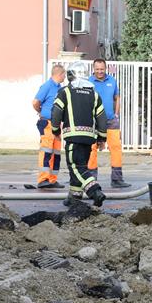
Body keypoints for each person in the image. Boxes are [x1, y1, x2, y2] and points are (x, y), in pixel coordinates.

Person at [51, 62, 107, 207]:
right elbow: (101, 117)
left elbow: (56, 111)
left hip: (73, 137)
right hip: (89, 139)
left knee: (76, 167)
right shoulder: (94, 94)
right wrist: (102, 137)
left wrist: (55, 129)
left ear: (71, 75)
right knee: (80, 166)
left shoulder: (65, 92)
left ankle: (95, 191)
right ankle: (74, 198)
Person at [87, 59, 130, 188]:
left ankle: (117, 179)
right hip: (94, 120)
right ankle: (91, 179)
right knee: (92, 149)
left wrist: (116, 114)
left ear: (106, 68)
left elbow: (117, 98)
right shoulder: (88, 82)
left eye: (102, 69)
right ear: (93, 69)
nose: (100, 71)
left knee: (115, 147)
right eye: (97, 69)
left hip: (111, 120)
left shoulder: (112, 81)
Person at [32, 64, 66, 189]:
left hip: (56, 124)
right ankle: (43, 179)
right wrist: (41, 112)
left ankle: (52, 179)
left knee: (56, 153)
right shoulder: (47, 86)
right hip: (47, 122)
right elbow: (35, 102)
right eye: (64, 75)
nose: (65, 77)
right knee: (46, 151)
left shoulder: (59, 88)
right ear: (60, 74)